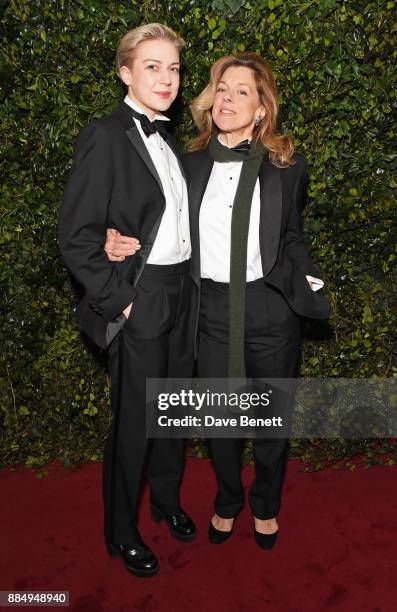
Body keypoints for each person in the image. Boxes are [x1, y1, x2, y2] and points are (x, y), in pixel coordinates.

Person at [105, 52, 331, 550]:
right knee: (220, 423)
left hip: (270, 308)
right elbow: (150, 219)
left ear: (261, 109)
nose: (228, 99)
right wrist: (110, 237)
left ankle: (266, 505)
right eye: (222, 89)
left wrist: (308, 278)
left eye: (242, 92)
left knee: (272, 422)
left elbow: (291, 235)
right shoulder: (186, 166)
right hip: (208, 309)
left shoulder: (287, 168)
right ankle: (228, 500)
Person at [58, 23, 197, 578]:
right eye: (152, 67)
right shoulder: (105, 135)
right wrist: (122, 301)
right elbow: (75, 235)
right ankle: (121, 530)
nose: (167, 79)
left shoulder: (171, 142)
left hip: (184, 291)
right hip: (141, 295)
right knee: (135, 420)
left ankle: (163, 501)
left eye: (174, 68)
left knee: (173, 411)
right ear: (125, 73)